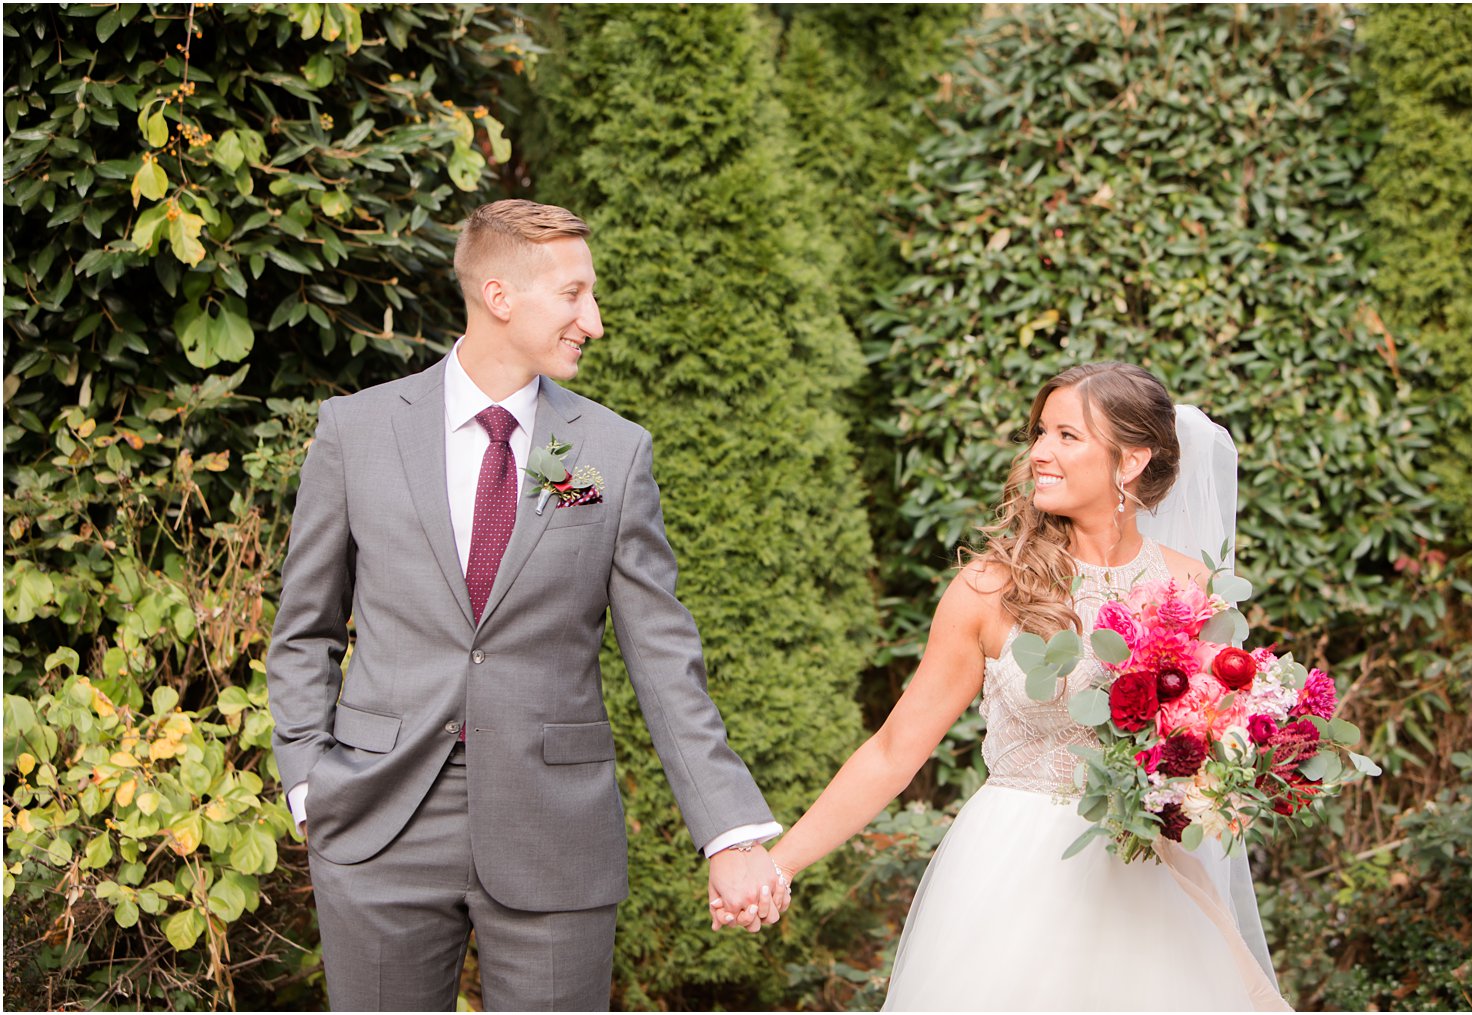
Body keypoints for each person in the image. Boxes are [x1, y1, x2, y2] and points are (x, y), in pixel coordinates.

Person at [266, 199, 787, 1011]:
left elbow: (661, 654)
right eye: (575, 294)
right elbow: (304, 628)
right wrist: (307, 777)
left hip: (554, 833)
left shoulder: (606, 451)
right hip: (378, 821)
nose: (596, 320)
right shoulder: (357, 431)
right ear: (501, 296)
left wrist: (729, 831)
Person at [768, 362, 1290, 1010]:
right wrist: (779, 861)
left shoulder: (1193, 590)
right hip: (1010, 873)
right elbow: (893, 749)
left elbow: (1218, 745)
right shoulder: (990, 589)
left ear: (1130, 461)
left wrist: (1225, 775)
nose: (1040, 450)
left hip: (1145, 882)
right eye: (1040, 431)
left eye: (1067, 435)